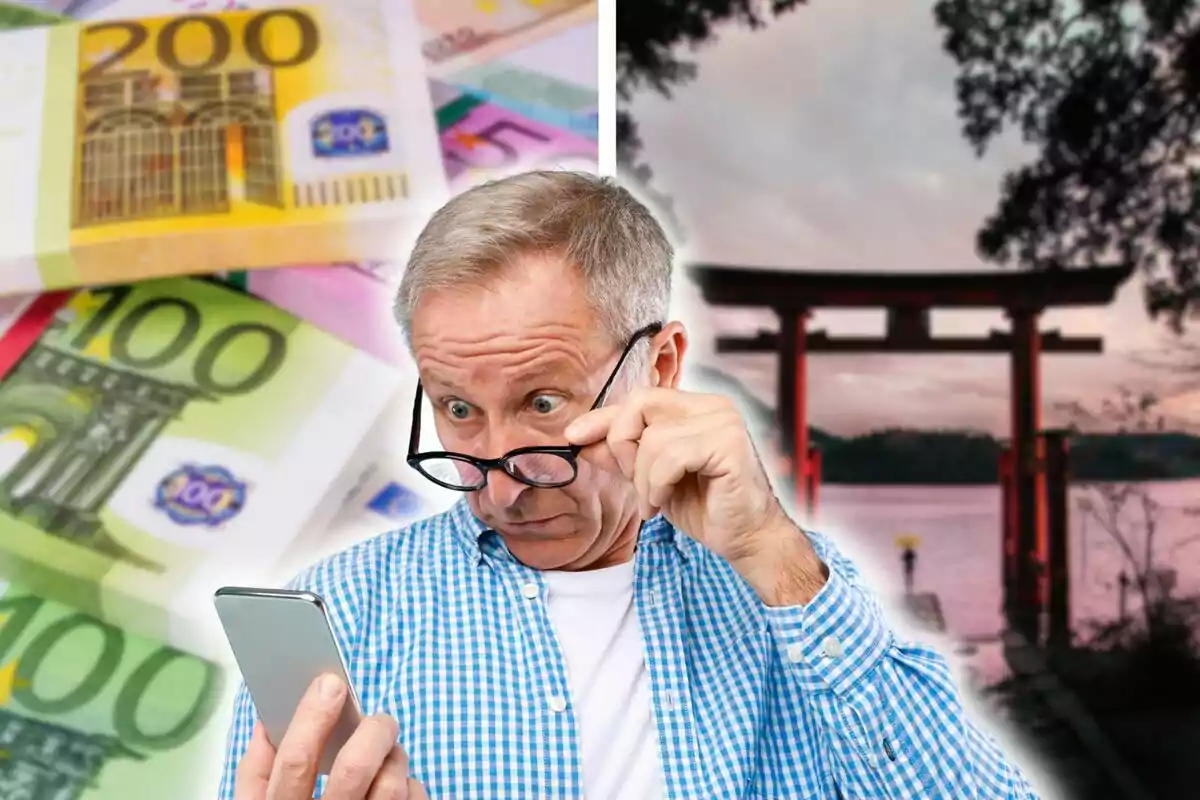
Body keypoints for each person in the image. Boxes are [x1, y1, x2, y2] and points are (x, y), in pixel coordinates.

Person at [217, 170, 1038, 799]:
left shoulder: (794, 597)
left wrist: (777, 556)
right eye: (459, 410)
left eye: (544, 402)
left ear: (663, 365)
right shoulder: (342, 616)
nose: (502, 489)